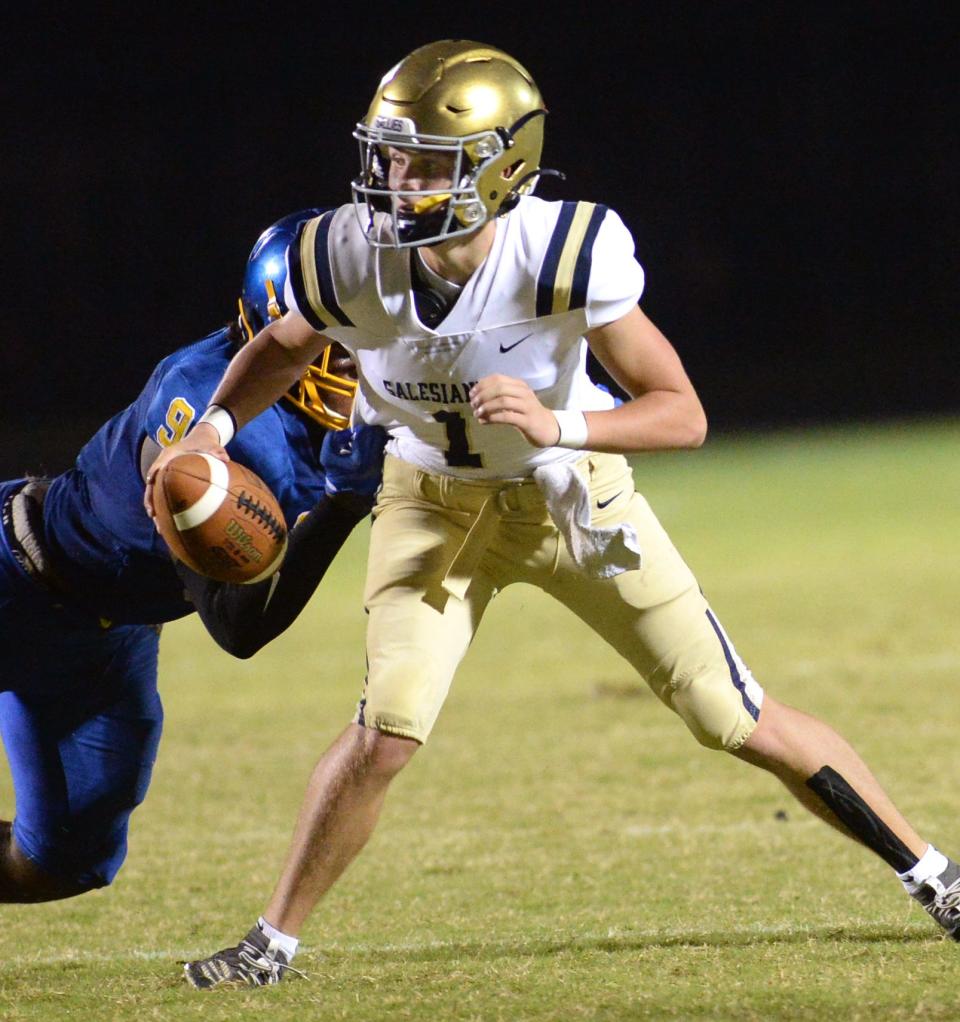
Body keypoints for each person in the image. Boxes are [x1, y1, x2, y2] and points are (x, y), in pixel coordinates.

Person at [147, 41, 960, 989]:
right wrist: (211, 425)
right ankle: (268, 946)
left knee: (730, 713)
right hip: (429, 506)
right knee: (385, 733)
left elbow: (683, 412)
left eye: (425, 164)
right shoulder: (344, 252)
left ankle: (936, 879)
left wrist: (560, 420)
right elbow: (286, 348)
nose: (394, 183)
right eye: (389, 156)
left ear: (502, 167)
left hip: (570, 498)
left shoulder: (565, 251)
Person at [0, 210, 385, 903]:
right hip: (17, 575)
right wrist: (342, 504)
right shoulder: (204, 401)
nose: (366, 367)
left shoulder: (323, 421)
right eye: (347, 349)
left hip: (106, 644)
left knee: (62, 862)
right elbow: (237, 625)